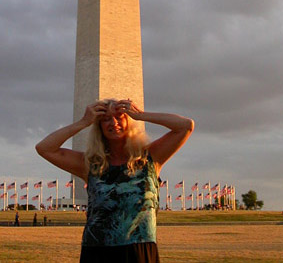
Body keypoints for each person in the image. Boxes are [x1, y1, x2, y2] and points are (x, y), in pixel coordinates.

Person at [36, 98, 194, 262]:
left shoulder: (149, 158)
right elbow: (45, 148)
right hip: (98, 251)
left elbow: (185, 126)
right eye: (105, 119)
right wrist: (83, 122)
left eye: (119, 117)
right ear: (99, 127)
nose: (113, 122)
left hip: (139, 248)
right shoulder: (91, 165)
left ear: (129, 121)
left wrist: (140, 115)